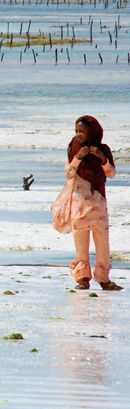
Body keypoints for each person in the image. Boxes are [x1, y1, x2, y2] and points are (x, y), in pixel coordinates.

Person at [60, 116, 122, 291]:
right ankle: (82, 278)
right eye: (76, 131)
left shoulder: (103, 149)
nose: (78, 135)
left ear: (92, 132)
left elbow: (111, 173)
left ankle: (103, 279)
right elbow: (69, 173)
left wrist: (102, 158)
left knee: (102, 242)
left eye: (82, 132)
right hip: (79, 203)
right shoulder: (74, 148)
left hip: (98, 202)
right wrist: (78, 158)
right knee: (81, 241)